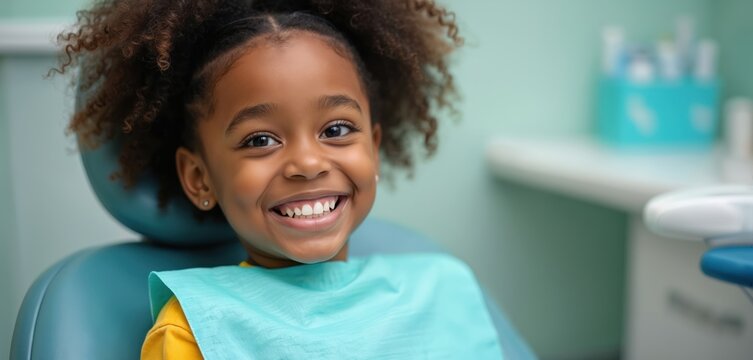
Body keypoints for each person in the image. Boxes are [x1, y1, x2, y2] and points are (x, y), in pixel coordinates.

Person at [56, 0, 504, 358]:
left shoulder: (444, 288)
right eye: (260, 140)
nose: (307, 163)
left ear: (374, 147)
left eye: (337, 130)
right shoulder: (194, 332)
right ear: (199, 178)